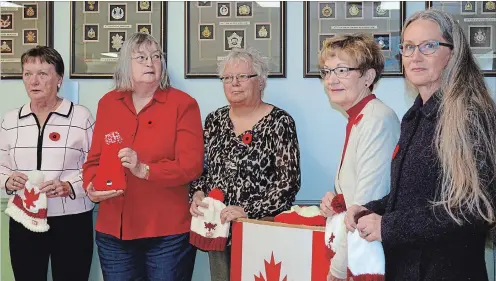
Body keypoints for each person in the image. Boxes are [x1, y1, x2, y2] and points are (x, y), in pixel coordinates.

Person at [344, 9, 496, 281]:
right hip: (405, 268)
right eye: (409, 47)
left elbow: (473, 208)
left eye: (429, 46)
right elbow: (410, 196)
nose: (415, 56)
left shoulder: (471, 115)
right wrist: (370, 209)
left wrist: (388, 226)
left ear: (453, 53)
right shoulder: (413, 116)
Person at [82, 32, 204, 281]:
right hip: (114, 234)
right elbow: (94, 161)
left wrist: (145, 170)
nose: (151, 62)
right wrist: (91, 186)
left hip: (167, 234)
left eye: (156, 56)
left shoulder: (183, 104)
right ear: (126, 64)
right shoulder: (108, 103)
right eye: (141, 57)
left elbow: (191, 166)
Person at [189, 47, 301, 281]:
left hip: (261, 229)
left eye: (242, 76)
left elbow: (288, 183)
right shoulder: (214, 120)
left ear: (260, 81)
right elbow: (201, 167)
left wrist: (248, 211)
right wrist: (197, 193)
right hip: (217, 227)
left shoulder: (280, 122)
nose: (234, 83)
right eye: (228, 78)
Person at [0, 46, 94, 281]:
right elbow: (0, 165)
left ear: (59, 79)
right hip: (24, 219)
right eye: (27, 73)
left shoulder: (81, 116)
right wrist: (8, 180)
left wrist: (69, 186)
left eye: (43, 73)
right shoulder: (11, 120)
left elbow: (96, 164)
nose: (34, 81)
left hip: (72, 219)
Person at [317, 34, 400, 281]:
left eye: (342, 70)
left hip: (367, 256)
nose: (331, 80)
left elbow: (365, 205)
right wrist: (336, 201)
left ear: (368, 77)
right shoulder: (359, 118)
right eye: (327, 71)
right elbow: (355, 193)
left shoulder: (376, 120)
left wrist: (337, 272)